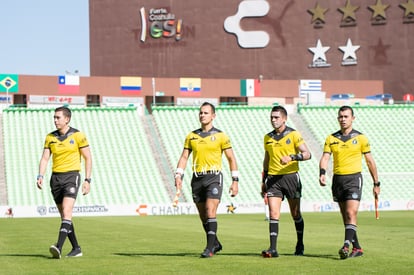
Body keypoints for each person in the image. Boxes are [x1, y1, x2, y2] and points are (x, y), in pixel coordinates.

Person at [174, 102, 239, 258]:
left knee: (210, 211)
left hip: (214, 177)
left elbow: (231, 158)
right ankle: (215, 243)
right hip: (197, 179)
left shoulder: (222, 136)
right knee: (203, 215)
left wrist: (235, 180)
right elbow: (184, 157)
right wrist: (178, 174)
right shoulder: (191, 136)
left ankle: (209, 249)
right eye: (201, 113)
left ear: (213, 116)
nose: (202, 115)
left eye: (206, 113)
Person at [319, 105, 380, 259]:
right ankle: (357, 248)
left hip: (354, 178)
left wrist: (376, 183)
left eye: (346, 116)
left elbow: (370, 161)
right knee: (345, 216)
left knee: (350, 212)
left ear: (353, 118)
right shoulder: (331, 138)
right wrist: (322, 173)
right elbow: (325, 157)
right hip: (338, 180)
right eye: (341, 116)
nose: (343, 119)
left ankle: (346, 245)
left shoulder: (361, 138)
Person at [36, 106, 92, 259]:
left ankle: (58, 247)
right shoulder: (50, 137)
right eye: (54, 117)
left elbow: (88, 157)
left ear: (67, 119)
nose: (55, 120)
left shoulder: (78, 135)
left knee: (67, 211)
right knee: (64, 216)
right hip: (55, 179)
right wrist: (40, 175)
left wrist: (87, 180)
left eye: (58, 117)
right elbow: (45, 158)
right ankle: (76, 248)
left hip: (71, 177)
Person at [261, 105, 311, 258]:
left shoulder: (293, 135)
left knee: (295, 213)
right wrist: (263, 180)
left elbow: (307, 154)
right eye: (271, 117)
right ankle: (273, 248)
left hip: (291, 177)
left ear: (284, 119)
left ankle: (300, 243)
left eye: (276, 117)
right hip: (273, 179)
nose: (273, 120)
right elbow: (267, 160)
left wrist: (292, 157)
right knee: (273, 213)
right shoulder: (267, 137)